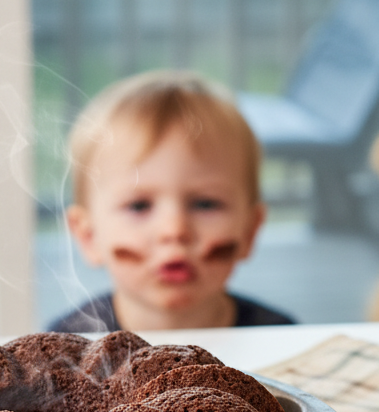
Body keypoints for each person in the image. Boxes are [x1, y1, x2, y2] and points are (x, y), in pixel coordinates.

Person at [47, 70, 295, 332]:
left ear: (250, 230)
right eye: (139, 206)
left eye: (205, 204)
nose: (174, 230)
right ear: (88, 236)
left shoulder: (281, 341)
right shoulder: (68, 349)